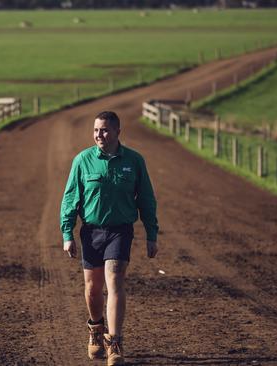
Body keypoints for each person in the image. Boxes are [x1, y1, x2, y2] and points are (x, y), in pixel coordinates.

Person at [60, 111, 159, 366]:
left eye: (104, 130)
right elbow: (71, 199)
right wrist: (67, 233)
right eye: (95, 130)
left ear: (117, 132)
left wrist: (151, 234)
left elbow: (146, 199)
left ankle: (114, 342)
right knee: (93, 289)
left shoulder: (135, 161)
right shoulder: (82, 160)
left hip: (120, 231)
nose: (98, 135)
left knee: (114, 280)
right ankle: (95, 329)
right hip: (91, 232)